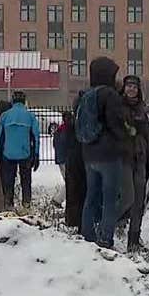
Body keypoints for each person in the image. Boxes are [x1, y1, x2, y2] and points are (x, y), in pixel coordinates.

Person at [79, 57, 132, 249]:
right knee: (110, 199)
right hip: (109, 155)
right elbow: (116, 124)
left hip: (89, 153)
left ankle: (87, 235)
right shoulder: (110, 95)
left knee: (91, 197)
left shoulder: (85, 95)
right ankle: (105, 237)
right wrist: (126, 136)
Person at [119, 75, 149, 253]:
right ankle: (114, 226)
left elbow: (148, 135)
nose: (131, 89)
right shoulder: (118, 106)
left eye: (134, 86)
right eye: (129, 86)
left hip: (140, 157)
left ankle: (134, 238)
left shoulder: (143, 109)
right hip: (123, 158)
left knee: (139, 201)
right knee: (126, 198)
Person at [0, 91, 41, 211]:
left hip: (7, 153)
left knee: (8, 181)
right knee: (26, 181)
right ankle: (26, 205)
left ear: (13, 101)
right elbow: (36, 136)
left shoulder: (5, 116)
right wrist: (36, 154)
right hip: (25, 153)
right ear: (24, 101)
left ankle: (8, 204)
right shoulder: (30, 116)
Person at [61, 95, 87, 231]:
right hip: (81, 159)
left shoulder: (71, 122)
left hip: (72, 159)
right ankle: (79, 221)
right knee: (81, 191)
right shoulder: (83, 121)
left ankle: (72, 219)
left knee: (72, 191)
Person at [53, 110, 74, 182]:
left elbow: (55, 144)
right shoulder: (72, 130)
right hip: (69, 158)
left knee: (66, 177)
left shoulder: (59, 130)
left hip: (61, 158)